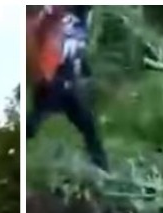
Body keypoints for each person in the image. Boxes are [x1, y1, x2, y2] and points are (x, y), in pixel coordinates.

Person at [27, 5, 109, 170]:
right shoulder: (56, 16)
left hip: (69, 82)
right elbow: (36, 33)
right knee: (33, 123)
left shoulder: (81, 23)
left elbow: (78, 50)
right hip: (52, 80)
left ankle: (102, 167)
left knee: (88, 125)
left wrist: (84, 71)